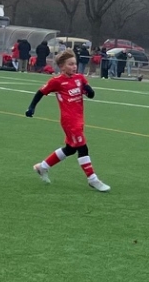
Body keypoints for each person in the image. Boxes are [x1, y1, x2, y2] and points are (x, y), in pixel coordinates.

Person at [27, 51, 110, 191]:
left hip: (79, 119)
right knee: (83, 147)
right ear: (62, 66)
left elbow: (90, 94)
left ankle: (42, 167)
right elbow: (41, 92)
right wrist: (31, 107)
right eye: (70, 64)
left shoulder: (80, 78)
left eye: (75, 64)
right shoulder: (56, 81)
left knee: (71, 149)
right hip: (69, 121)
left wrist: (89, 91)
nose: (74, 67)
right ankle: (92, 179)